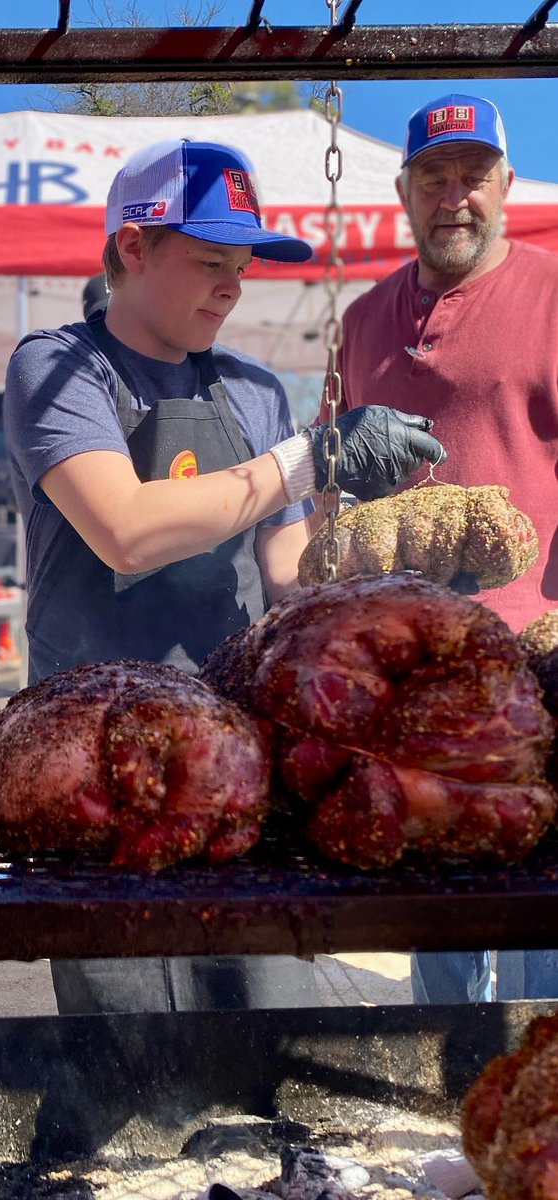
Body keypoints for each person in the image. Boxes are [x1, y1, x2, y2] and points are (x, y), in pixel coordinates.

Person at [2, 137, 447, 1016]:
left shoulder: (250, 389)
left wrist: (388, 566)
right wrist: (305, 461)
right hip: (93, 744)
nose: (232, 286)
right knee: (126, 1016)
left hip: (233, 738)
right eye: (210, 261)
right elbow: (123, 530)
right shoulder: (57, 367)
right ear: (133, 246)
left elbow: (284, 573)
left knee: (257, 1001)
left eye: (240, 266)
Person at [336, 93, 558, 1004]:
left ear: (505, 184)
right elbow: (342, 488)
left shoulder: (552, 295)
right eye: (433, 175)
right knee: (435, 895)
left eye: (472, 174)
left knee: (539, 898)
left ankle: (536, 1098)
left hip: (537, 658)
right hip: (409, 665)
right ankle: (451, 1083)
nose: (453, 195)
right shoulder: (358, 320)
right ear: (403, 191)